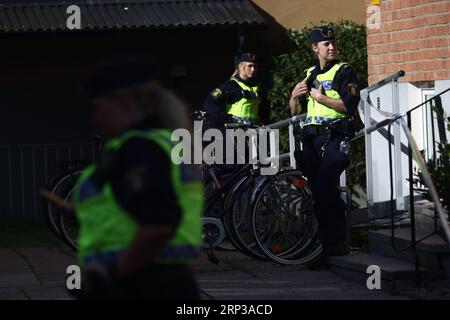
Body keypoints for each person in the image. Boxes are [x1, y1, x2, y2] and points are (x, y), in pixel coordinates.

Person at [74, 57, 203, 299]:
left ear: (121, 102)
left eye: (97, 108)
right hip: (166, 282)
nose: (95, 119)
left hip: (141, 286)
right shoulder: (156, 143)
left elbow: (158, 223)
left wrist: (115, 274)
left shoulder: (140, 150)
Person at [289, 27, 360, 260]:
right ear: (315, 48)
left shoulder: (345, 71)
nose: (331, 47)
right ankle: (324, 246)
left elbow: (348, 106)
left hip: (336, 137)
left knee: (325, 186)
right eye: (326, 43)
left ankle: (334, 244)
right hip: (312, 139)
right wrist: (293, 98)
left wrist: (322, 98)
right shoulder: (309, 73)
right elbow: (296, 112)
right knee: (318, 193)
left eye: (333, 42)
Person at [203, 53, 261, 128]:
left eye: (255, 66)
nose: (253, 69)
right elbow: (209, 103)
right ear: (241, 67)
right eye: (250, 66)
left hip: (253, 131)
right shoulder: (230, 86)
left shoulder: (257, 86)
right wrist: (227, 118)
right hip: (235, 131)